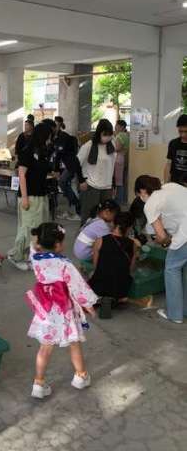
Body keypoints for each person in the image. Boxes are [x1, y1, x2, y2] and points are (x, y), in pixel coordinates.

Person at [25, 223, 97, 399]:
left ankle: (38, 383)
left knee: (45, 347)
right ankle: (81, 376)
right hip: (64, 309)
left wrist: (38, 241)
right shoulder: (64, 264)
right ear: (58, 244)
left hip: (46, 308)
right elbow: (77, 286)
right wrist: (88, 304)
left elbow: (33, 245)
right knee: (74, 343)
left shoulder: (35, 258)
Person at [135, 174, 187, 324]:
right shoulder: (171, 186)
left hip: (185, 234)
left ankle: (175, 314)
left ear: (142, 191)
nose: (140, 198)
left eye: (139, 194)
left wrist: (163, 242)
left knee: (172, 269)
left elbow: (162, 236)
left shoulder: (150, 204)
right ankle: (184, 309)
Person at [8, 122, 55, 271]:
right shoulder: (28, 150)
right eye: (49, 137)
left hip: (41, 195)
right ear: (43, 135)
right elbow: (21, 174)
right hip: (29, 196)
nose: (50, 140)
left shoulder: (42, 150)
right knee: (27, 229)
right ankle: (16, 256)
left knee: (37, 229)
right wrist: (25, 198)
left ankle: (30, 255)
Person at [90, 212, 140, 302]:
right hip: (120, 290)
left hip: (99, 287)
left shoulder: (100, 240)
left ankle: (101, 296)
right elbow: (131, 269)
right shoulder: (133, 244)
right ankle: (119, 298)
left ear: (113, 223)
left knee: (92, 274)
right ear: (129, 228)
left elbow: (95, 266)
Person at [77, 119, 116, 224]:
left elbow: (112, 166)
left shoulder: (112, 145)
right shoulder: (88, 146)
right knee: (89, 216)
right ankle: (85, 233)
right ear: (99, 133)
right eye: (105, 134)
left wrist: (113, 185)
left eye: (110, 135)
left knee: (106, 217)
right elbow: (76, 164)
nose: (107, 137)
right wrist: (81, 180)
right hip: (91, 186)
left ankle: (102, 234)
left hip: (107, 186)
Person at [54, 117, 82, 220]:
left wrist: (56, 169)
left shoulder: (63, 136)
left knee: (63, 182)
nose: (55, 127)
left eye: (57, 125)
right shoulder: (55, 136)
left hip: (71, 165)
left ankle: (77, 206)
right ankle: (72, 209)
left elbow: (59, 153)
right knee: (65, 185)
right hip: (66, 165)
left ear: (60, 125)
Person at [164, 114, 187, 184]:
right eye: (180, 131)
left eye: (186, 131)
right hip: (174, 182)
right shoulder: (173, 143)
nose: (183, 135)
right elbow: (168, 164)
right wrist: (165, 183)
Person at [114, 120, 130, 204]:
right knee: (121, 180)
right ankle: (122, 199)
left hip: (118, 159)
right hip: (123, 158)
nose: (115, 127)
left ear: (121, 127)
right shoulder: (127, 135)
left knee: (118, 181)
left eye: (117, 125)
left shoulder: (120, 135)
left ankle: (118, 200)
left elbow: (117, 148)